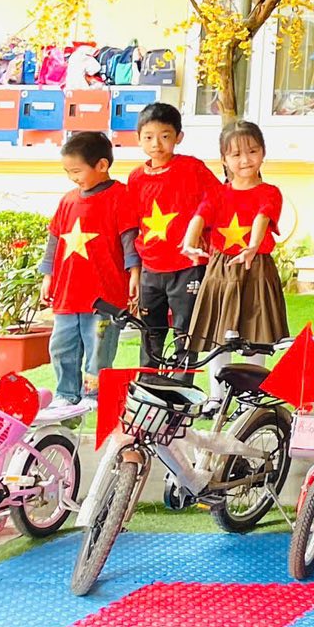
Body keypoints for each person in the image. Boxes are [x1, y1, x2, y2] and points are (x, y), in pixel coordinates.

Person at [39, 131, 137, 414]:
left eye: (77, 171)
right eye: (68, 172)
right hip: (68, 294)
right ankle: (66, 393)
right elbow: (54, 240)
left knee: (99, 347)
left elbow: (129, 239)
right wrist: (48, 276)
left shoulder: (120, 196)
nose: (73, 178)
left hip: (104, 298)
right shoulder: (68, 201)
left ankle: (93, 395)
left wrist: (134, 273)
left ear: (102, 165)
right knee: (62, 346)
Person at [184, 120, 289, 350]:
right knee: (216, 336)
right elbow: (200, 216)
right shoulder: (217, 193)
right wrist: (189, 242)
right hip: (221, 267)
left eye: (252, 151)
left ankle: (256, 375)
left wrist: (252, 247)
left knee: (258, 335)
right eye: (236, 154)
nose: (245, 160)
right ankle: (217, 376)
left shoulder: (270, 192)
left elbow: (262, 216)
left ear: (263, 152)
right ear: (224, 159)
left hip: (257, 266)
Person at [124, 101, 213, 367]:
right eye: (148, 137)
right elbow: (131, 224)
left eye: (165, 136)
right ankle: (149, 383)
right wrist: (134, 270)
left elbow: (216, 201)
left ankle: (181, 385)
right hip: (151, 268)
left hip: (187, 266)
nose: (156, 144)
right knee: (150, 332)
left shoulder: (192, 168)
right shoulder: (136, 178)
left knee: (185, 332)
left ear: (178, 137)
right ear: (138, 139)